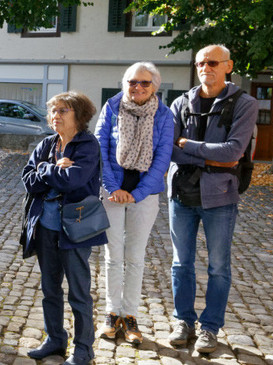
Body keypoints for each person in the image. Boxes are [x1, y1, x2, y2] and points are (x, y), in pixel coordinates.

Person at [167, 44, 257, 353]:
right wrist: (210, 156)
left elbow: (234, 152)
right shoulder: (180, 102)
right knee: (181, 264)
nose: (206, 67)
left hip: (220, 197)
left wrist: (188, 144)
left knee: (218, 267)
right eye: (201, 63)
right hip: (180, 194)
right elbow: (169, 149)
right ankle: (183, 321)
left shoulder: (244, 104)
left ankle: (209, 328)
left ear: (228, 66)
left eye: (213, 62)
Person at [22, 91, 106, 365]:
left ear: (79, 116)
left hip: (77, 228)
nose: (55, 116)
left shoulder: (88, 145)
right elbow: (28, 180)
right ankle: (55, 340)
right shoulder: (46, 145)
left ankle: (83, 350)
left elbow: (73, 180)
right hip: (45, 226)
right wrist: (52, 168)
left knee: (79, 293)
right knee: (50, 289)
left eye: (62, 111)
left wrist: (45, 172)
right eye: (53, 111)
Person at [94, 62, 173, 344]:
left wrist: (137, 193)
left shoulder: (164, 115)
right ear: (124, 83)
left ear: (155, 87)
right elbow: (100, 147)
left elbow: (163, 157)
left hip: (145, 195)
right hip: (112, 194)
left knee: (135, 258)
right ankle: (111, 314)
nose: (137, 87)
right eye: (132, 82)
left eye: (144, 83)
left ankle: (130, 317)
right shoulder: (112, 107)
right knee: (113, 256)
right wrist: (113, 188)